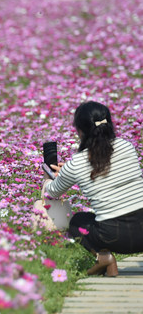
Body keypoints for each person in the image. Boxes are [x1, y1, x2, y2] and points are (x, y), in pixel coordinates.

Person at [43, 101, 143, 277]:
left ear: (81, 131)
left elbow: (51, 192)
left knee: (77, 222)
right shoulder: (127, 147)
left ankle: (104, 258)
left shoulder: (76, 164)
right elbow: (107, 166)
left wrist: (50, 175)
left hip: (114, 237)